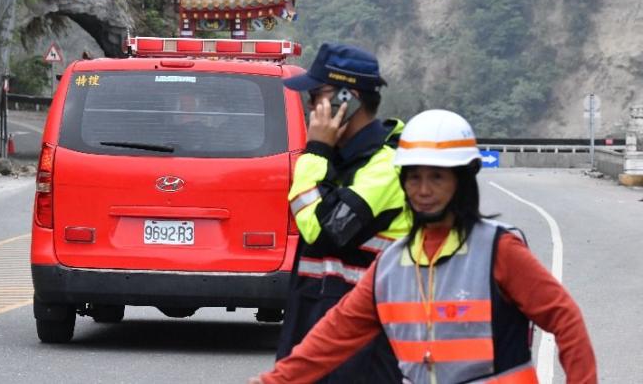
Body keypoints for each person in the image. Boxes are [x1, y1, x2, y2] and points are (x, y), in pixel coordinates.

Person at [253, 110, 597, 384]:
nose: (423, 190)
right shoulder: (390, 265)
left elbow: (565, 319)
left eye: (437, 177)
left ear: (462, 180)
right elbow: (330, 339)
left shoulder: (499, 251)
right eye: (414, 177)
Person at [277, 43, 410, 383]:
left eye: (316, 95)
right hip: (316, 339)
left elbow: (321, 233)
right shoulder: (336, 162)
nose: (309, 106)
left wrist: (316, 151)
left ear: (345, 100)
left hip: (362, 349)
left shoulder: (389, 168)